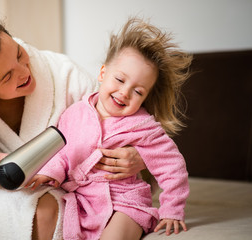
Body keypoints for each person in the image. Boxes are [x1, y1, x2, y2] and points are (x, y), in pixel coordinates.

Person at [0, 15, 147, 240]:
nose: (24, 72)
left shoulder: (65, 75)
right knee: (15, 208)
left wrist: (139, 156)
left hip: (73, 195)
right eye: (7, 76)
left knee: (43, 210)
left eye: (19, 54)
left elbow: (128, 127)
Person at [27, 18, 192, 240]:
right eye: (120, 79)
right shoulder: (75, 113)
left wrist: (172, 209)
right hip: (83, 198)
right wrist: (50, 173)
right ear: (103, 73)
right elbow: (64, 154)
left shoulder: (143, 126)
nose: (125, 92)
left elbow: (172, 166)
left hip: (127, 201)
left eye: (138, 91)